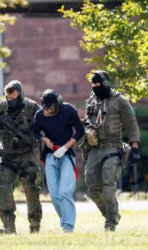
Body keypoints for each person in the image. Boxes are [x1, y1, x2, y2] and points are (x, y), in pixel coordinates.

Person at [0, 80, 42, 234]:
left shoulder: (32, 107)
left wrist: (45, 145)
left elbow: (44, 125)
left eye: (13, 97)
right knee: (4, 190)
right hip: (6, 155)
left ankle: (34, 227)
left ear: (20, 93)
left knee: (32, 190)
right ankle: (9, 227)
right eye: (8, 98)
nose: (11, 100)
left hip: (28, 154)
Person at [82, 70, 140, 231]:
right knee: (93, 190)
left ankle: (111, 222)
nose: (94, 87)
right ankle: (110, 214)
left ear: (106, 84)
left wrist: (134, 146)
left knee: (108, 186)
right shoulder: (92, 101)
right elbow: (89, 119)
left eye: (97, 84)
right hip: (94, 148)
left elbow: (131, 123)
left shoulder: (119, 100)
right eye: (92, 85)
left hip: (113, 146)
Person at [33, 89, 84, 233]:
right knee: (55, 195)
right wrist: (44, 139)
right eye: (46, 108)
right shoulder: (39, 115)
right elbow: (34, 131)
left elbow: (80, 131)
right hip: (50, 156)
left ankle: (68, 226)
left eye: (52, 108)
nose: (49, 111)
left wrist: (67, 145)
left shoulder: (69, 110)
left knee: (65, 192)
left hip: (66, 154)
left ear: (58, 103)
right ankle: (65, 220)